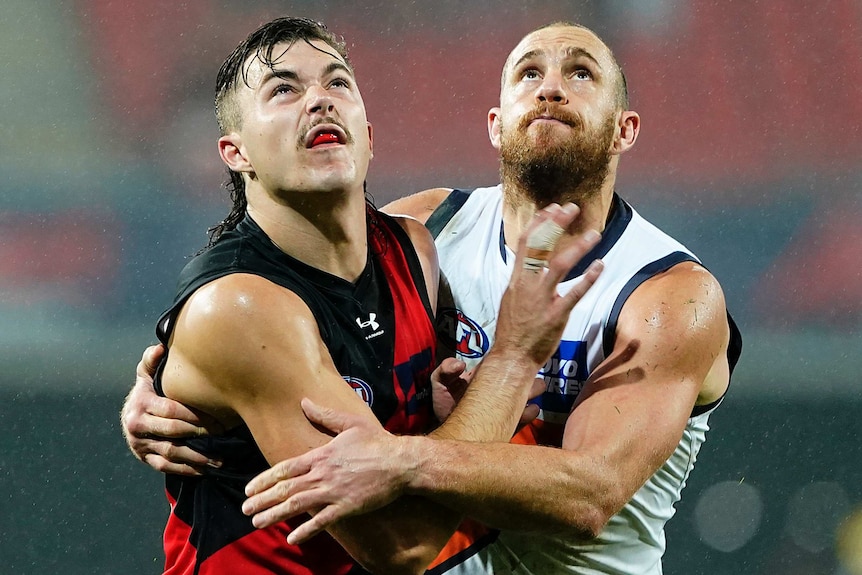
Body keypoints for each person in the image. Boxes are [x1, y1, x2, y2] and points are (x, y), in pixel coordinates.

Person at [124, 20, 743, 575]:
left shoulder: (668, 296)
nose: (551, 89)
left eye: (579, 73)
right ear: (496, 126)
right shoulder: (427, 232)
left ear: (624, 129)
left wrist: (407, 459)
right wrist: (161, 387)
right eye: (529, 73)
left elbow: (589, 494)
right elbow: (262, 308)